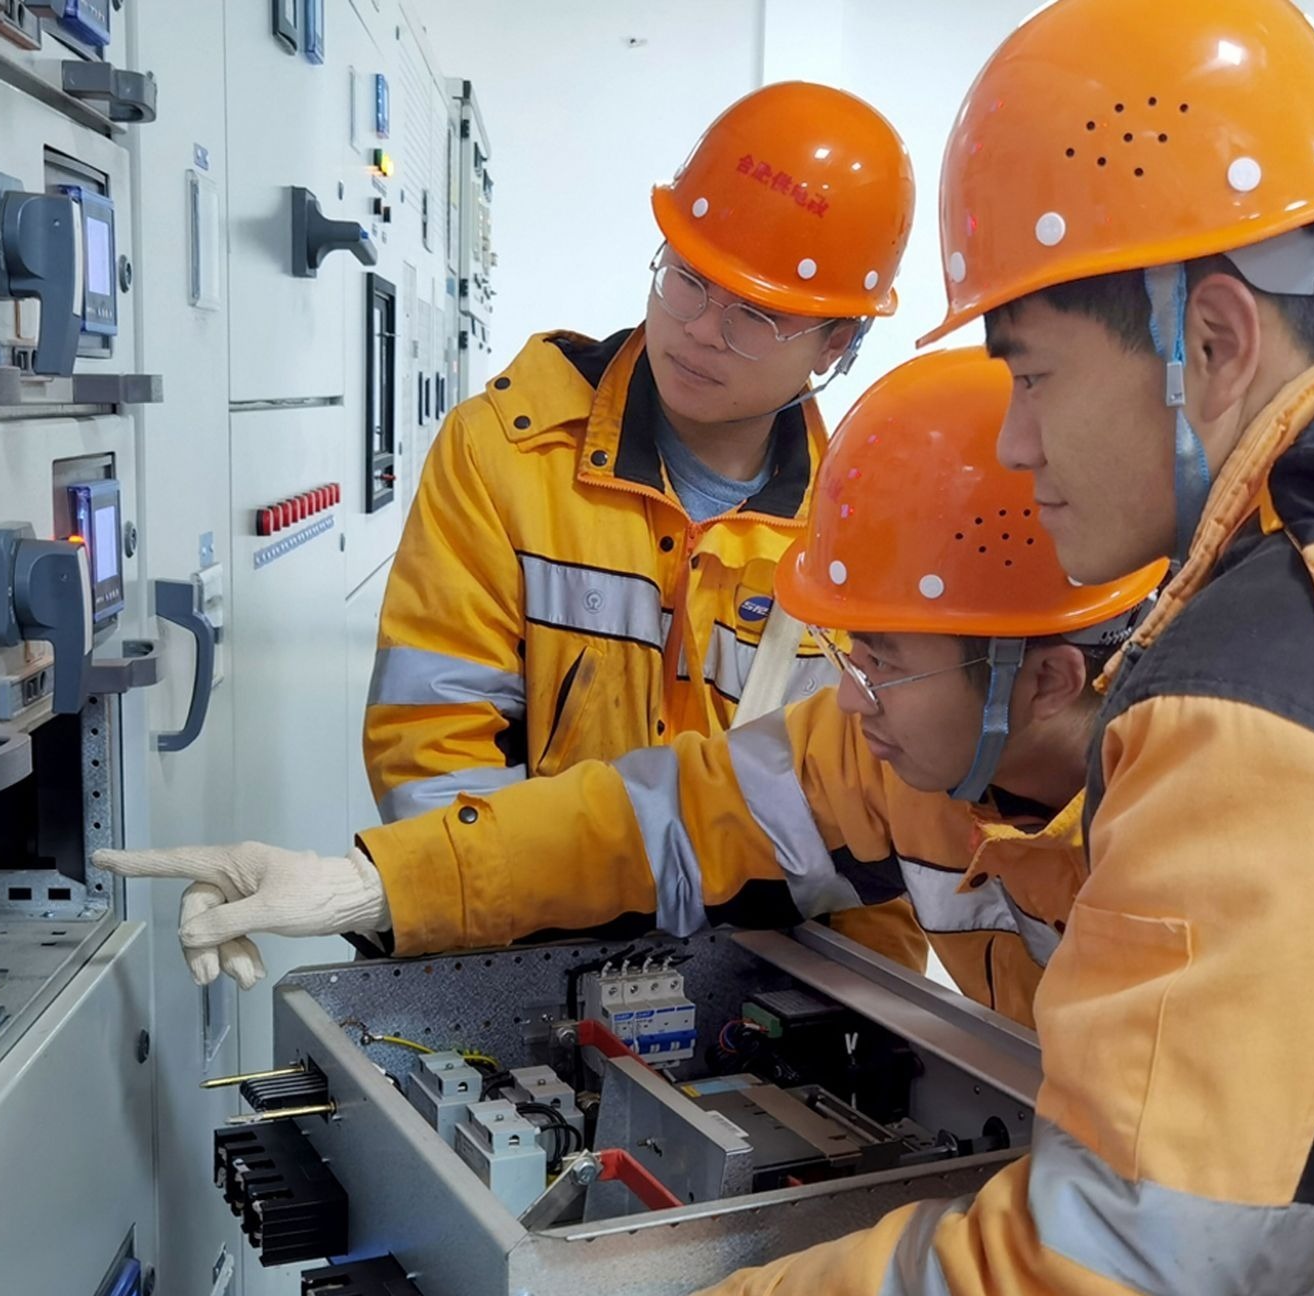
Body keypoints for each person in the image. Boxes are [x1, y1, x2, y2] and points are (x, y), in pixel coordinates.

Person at [525, 1, 1314, 1296]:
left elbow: (1105, 1289)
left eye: (1034, 372)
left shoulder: (1291, 683)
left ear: (1210, 336)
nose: (1013, 443)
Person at [100, 348, 1239, 1296]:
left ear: (1039, 680)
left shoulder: (1211, 839)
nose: (846, 694)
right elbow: (650, 820)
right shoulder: (891, 752)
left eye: (880, 659)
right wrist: (373, 882)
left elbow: (1138, 1269)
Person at [362, 79, 924, 968]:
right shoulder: (506, 453)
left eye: (756, 315)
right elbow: (434, 750)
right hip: (526, 950)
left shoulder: (869, 533)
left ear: (836, 347)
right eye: (689, 280)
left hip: (770, 974)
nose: (701, 331)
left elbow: (880, 831)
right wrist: (498, 959)